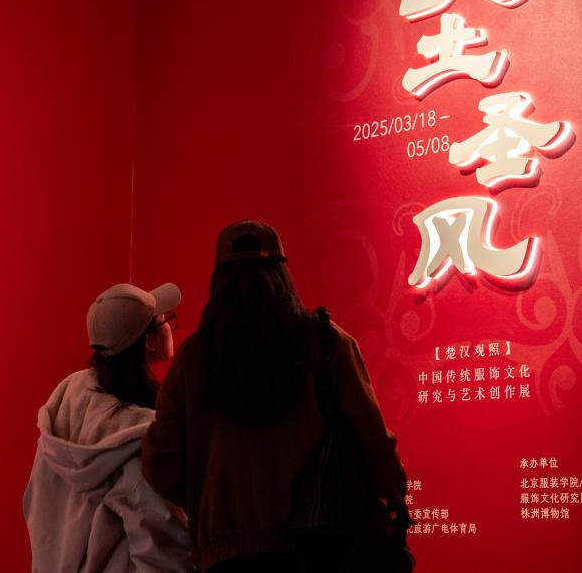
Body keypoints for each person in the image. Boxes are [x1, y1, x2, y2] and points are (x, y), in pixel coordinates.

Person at [142, 221, 409, 573]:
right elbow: (372, 441)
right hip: (320, 549)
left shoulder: (194, 359)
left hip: (224, 558)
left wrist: (211, 498)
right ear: (282, 274)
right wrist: (393, 490)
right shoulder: (327, 343)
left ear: (218, 282)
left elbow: (159, 462)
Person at [24, 282, 193, 573]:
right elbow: (165, 556)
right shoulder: (136, 444)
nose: (169, 325)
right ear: (148, 342)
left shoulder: (64, 411)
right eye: (164, 320)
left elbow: (34, 506)